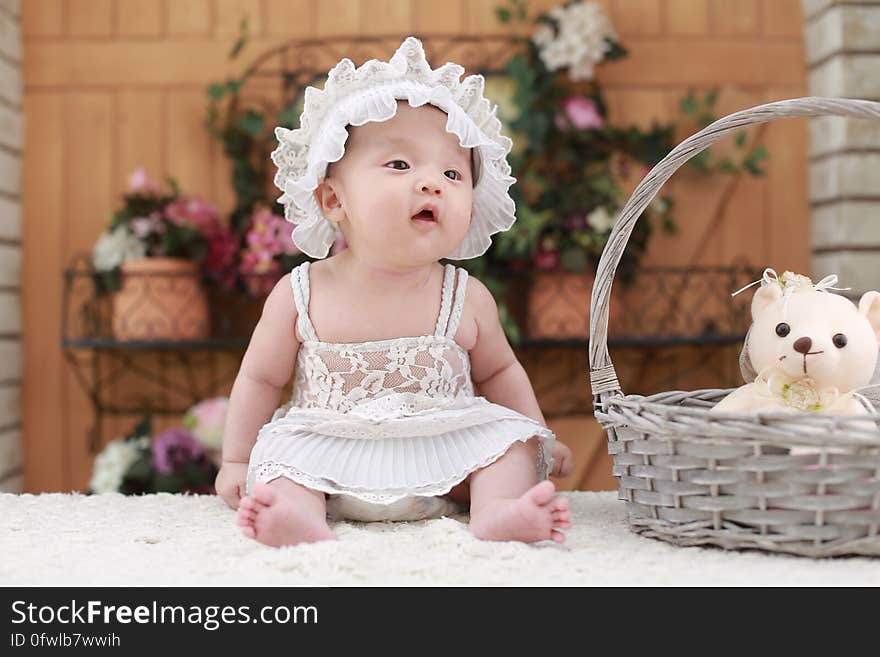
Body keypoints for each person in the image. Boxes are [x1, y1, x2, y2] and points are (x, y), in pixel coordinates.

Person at [215, 37, 574, 547]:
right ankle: (298, 518)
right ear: (333, 198)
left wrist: (539, 434)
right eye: (400, 165)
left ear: (470, 208)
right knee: (282, 457)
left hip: (444, 461)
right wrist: (236, 460)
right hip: (329, 457)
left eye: (452, 173)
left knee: (507, 445)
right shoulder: (299, 292)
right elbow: (258, 377)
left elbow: (500, 372)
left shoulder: (465, 296)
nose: (432, 183)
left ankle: (498, 511)